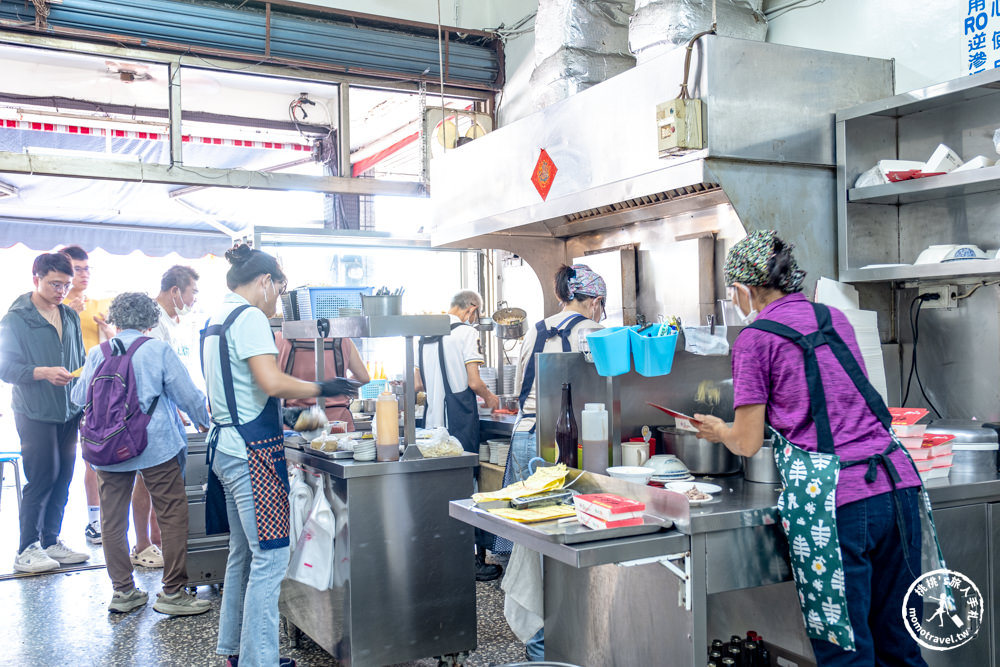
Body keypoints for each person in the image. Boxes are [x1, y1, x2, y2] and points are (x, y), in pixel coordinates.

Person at [693, 231, 927, 666]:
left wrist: (718, 430)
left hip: (838, 502)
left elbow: (746, 441)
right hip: (897, 485)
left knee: (846, 651)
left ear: (744, 289)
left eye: (734, 292)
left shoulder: (753, 339)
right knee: (899, 644)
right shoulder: (833, 317)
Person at [201, 244, 360, 667]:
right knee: (270, 557)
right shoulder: (250, 317)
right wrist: (321, 389)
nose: (275, 299)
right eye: (278, 289)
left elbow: (244, 390)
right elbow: (270, 381)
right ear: (266, 281)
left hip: (225, 447)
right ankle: (260, 661)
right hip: (250, 455)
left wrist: (290, 416)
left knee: (242, 554)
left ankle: (236, 651)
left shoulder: (216, 318)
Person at [71, 292, 212, 615]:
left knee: (112, 520)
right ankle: (173, 593)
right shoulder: (157, 350)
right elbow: (187, 395)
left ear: (116, 319)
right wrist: (204, 423)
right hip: (155, 446)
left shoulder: (98, 352)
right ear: (151, 320)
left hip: (107, 449)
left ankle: (123, 592)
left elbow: (79, 398)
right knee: (172, 514)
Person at [500, 264, 606, 662]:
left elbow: (516, 388)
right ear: (594, 301)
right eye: (600, 305)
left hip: (525, 435)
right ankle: (551, 646)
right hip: (559, 442)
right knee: (558, 544)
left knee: (533, 542)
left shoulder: (536, 328)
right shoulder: (590, 331)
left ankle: (537, 643)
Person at [0, 252, 89, 573]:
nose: (61, 291)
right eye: (54, 284)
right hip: (34, 410)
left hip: (69, 409)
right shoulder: (16, 319)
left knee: (65, 476)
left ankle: (51, 540)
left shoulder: (69, 316)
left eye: (66, 285)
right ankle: (26, 548)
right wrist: (43, 372)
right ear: (35, 278)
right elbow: (6, 368)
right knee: (42, 477)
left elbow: (80, 361)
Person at [415, 290, 500, 581]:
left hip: (430, 424)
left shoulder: (424, 335)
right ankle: (473, 561)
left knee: (437, 489)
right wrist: (491, 398)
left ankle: (439, 555)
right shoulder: (465, 332)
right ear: (471, 309)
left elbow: (416, 383)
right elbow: (474, 381)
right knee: (467, 488)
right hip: (458, 423)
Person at [129, 264, 201, 569]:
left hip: (159, 415)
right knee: (147, 483)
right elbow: (161, 376)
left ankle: (152, 543)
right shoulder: (154, 323)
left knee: (148, 482)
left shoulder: (168, 323)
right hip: (149, 420)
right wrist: (192, 411)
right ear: (175, 291)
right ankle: (146, 544)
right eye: (192, 292)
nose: (194, 299)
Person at [60, 244, 114, 546]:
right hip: (62, 390)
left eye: (86, 268)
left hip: (97, 391)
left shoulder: (98, 304)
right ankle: (85, 521)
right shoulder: (55, 304)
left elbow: (111, 344)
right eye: (78, 269)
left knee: (95, 457)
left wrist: (108, 331)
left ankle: (97, 521)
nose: (84, 274)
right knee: (63, 461)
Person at [275, 331, 369, 430]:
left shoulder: (278, 339)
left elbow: (270, 385)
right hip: (339, 423)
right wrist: (339, 386)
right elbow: (363, 378)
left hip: (297, 422)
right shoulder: (342, 339)